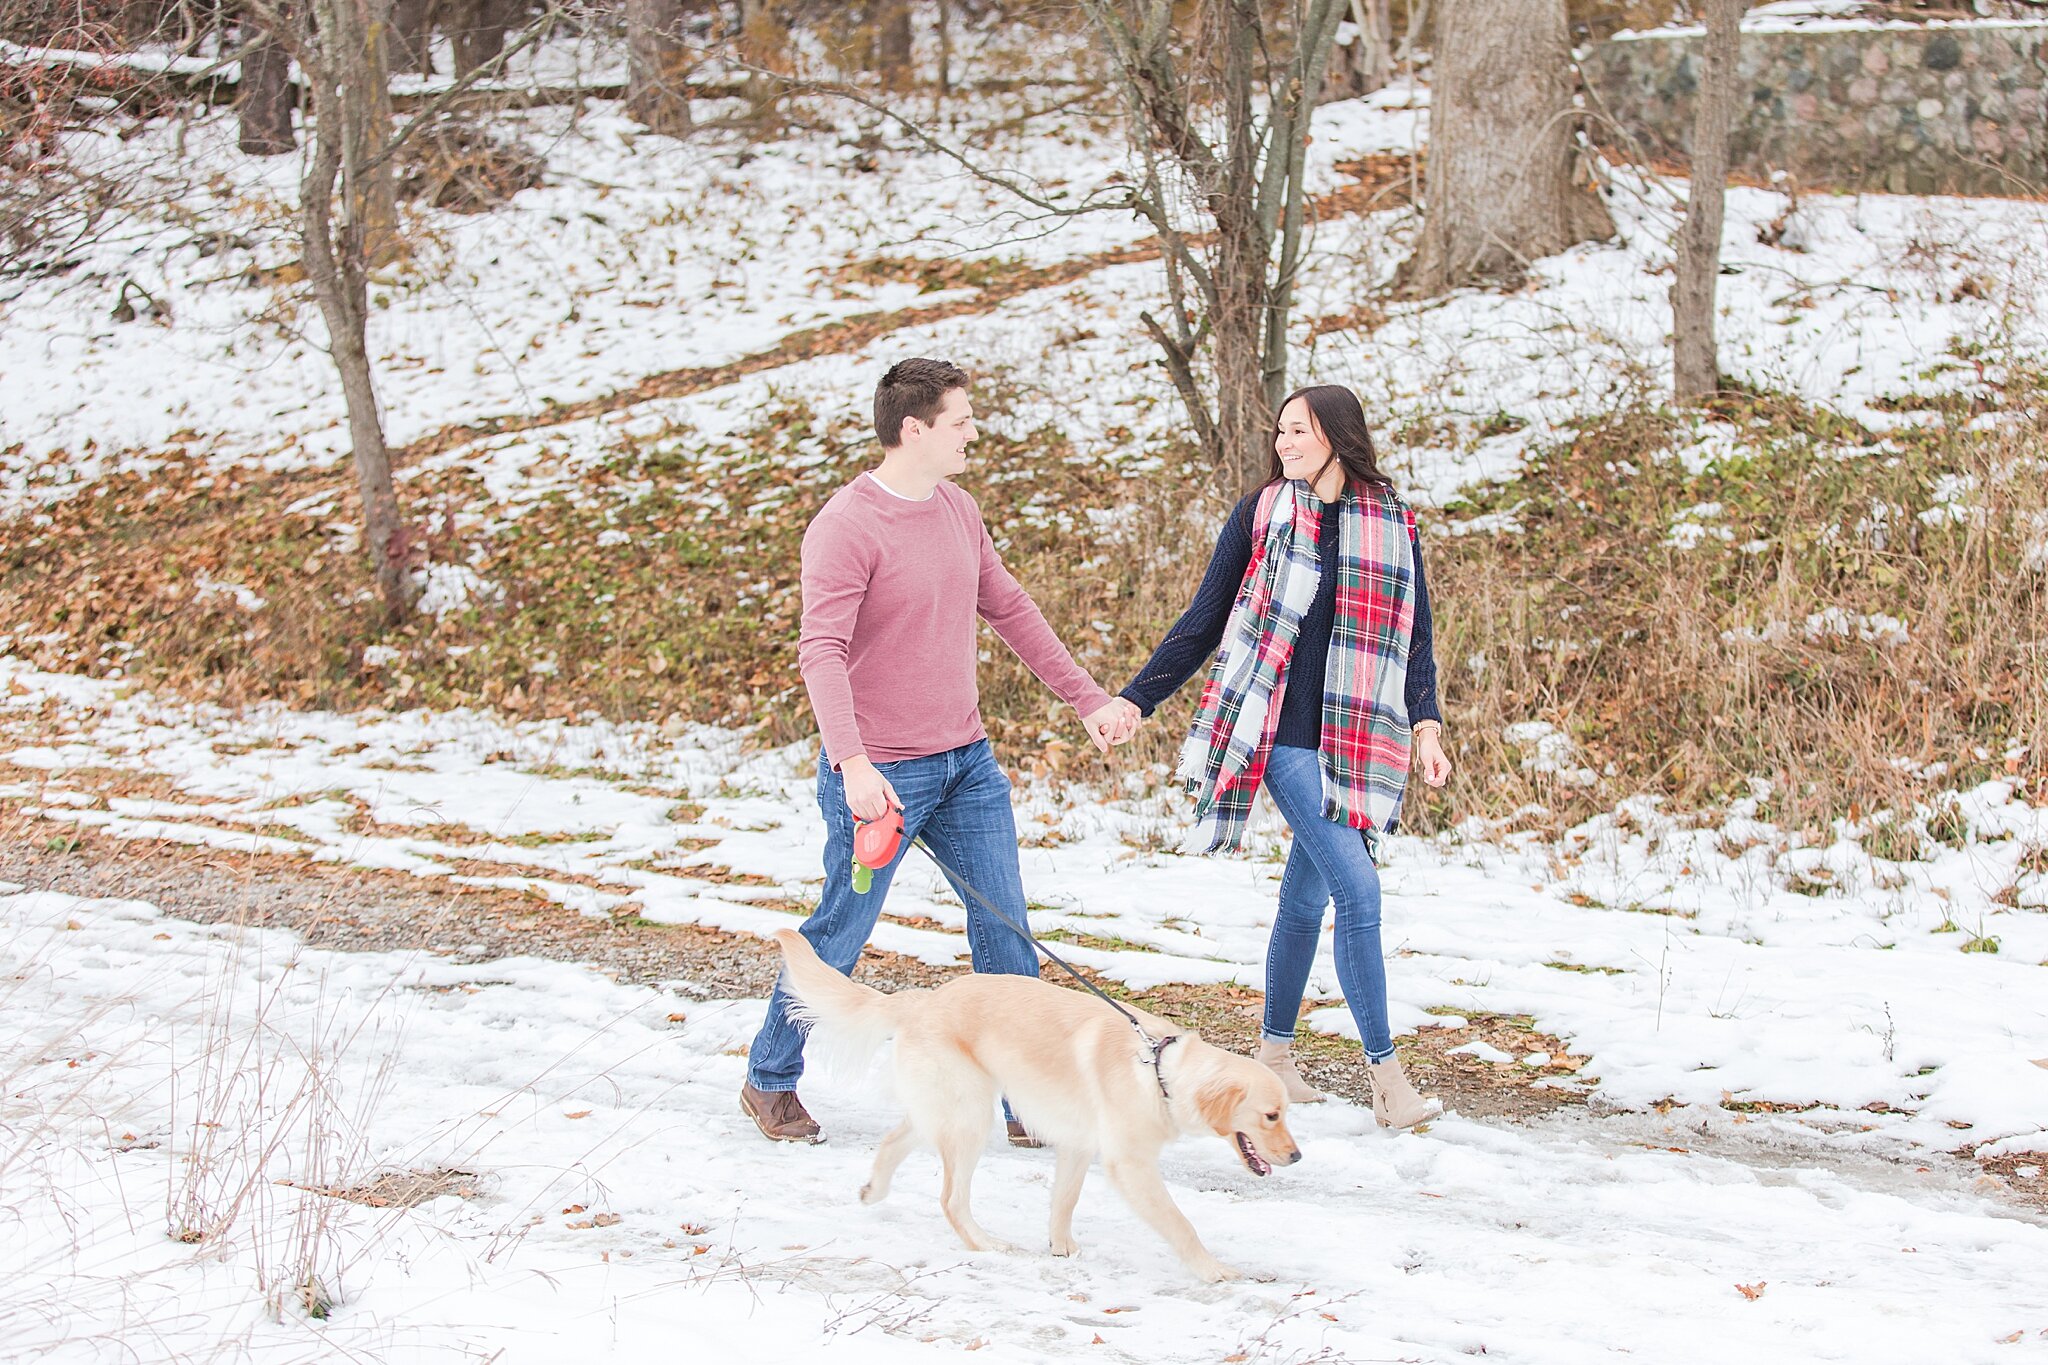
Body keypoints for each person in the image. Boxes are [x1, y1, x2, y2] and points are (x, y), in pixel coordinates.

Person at [741, 357, 1137, 1145]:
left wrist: (1086, 696)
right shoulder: (847, 524)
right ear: (913, 429)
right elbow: (820, 650)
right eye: (960, 421)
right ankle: (769, 1077)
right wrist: (851, 763)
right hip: (880, 775)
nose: (973, 432)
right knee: (840, 933)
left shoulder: (958, 509)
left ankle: (1024, 1097)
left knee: (1007, 933)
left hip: (966, 764)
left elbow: (1011, 609)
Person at [1109, 384, 1452, 1129]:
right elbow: (1202, 619)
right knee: (1358, 892)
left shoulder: (1391, 521)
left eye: (1297, 430)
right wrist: (1139, 697)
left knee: (1308, 897)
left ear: (1336, 435)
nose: (1284, 442)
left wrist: (1426, 725)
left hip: (1361, 739)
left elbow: (1415, 633)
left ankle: (1274, 1055)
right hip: (1283, 738)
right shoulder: (1263, 512)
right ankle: (1389, 1082)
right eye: (1280, 431)